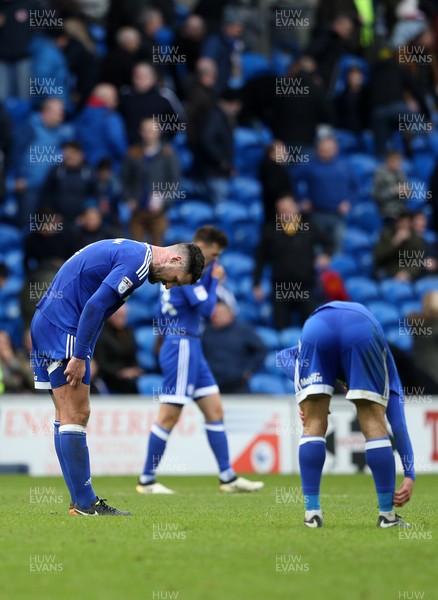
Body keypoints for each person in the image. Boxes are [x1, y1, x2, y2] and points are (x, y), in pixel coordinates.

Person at [30, 238, 205, 516]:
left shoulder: (131, 252)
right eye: (175, 280)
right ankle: (86, 504)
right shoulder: (137, 263)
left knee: (66, 414)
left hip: (49, 321)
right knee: (77, 413)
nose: (169, 285)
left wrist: (84, 351)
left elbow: (94, 306)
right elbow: (95, 307)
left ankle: (79, 502)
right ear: (174, 260)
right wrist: (80, 355)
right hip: (63, 326)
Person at [137, 226, 264, 494]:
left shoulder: (182, 272)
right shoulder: (184, 271)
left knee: (214, 410)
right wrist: (214, 280)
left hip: (190, 345)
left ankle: (227, 477)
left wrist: (210, 280)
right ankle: (147, 480)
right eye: (214, 254)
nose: (215, 260)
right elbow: (207, 309)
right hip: (182, 345)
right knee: (169, 415)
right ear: (201, 246)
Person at [280, 301, 415, 528]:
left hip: (317, 325)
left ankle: (312, 514)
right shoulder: (386, 367)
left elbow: (284, 357)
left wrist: (305, 395)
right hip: (361, 329)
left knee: (313, 421)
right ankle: (387, 516)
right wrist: (410, 473)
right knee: (373, 420)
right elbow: (398, 425)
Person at [202, 300, 267, 393]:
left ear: (230, 314)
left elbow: (261, 349)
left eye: (220, 313)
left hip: (237, 385)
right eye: (214, 314)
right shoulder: (206, 332)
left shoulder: (243, 330)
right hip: (212, 385)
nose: (217, 317)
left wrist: (248, 370)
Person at [93, 304, 143, 394]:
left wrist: (134, 370)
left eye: (124, 316)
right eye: (118, 316)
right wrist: (120, 372)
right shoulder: (101, 334)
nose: (122, 319)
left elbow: (132, 356)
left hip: (128, 377)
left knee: (133, 383)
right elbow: (101, 362)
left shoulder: (129, 332)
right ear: (110, 316)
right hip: (108, 376)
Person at [372, 150, 407, 222]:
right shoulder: (380, 174)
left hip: (401, 212)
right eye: (396, 160)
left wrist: (406, 192)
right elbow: (376, 195)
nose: (399, 163)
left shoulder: (401, 174)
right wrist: (393, 190)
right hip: (386, 213)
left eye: (400, 160)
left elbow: (406, 196)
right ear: (389, 161)